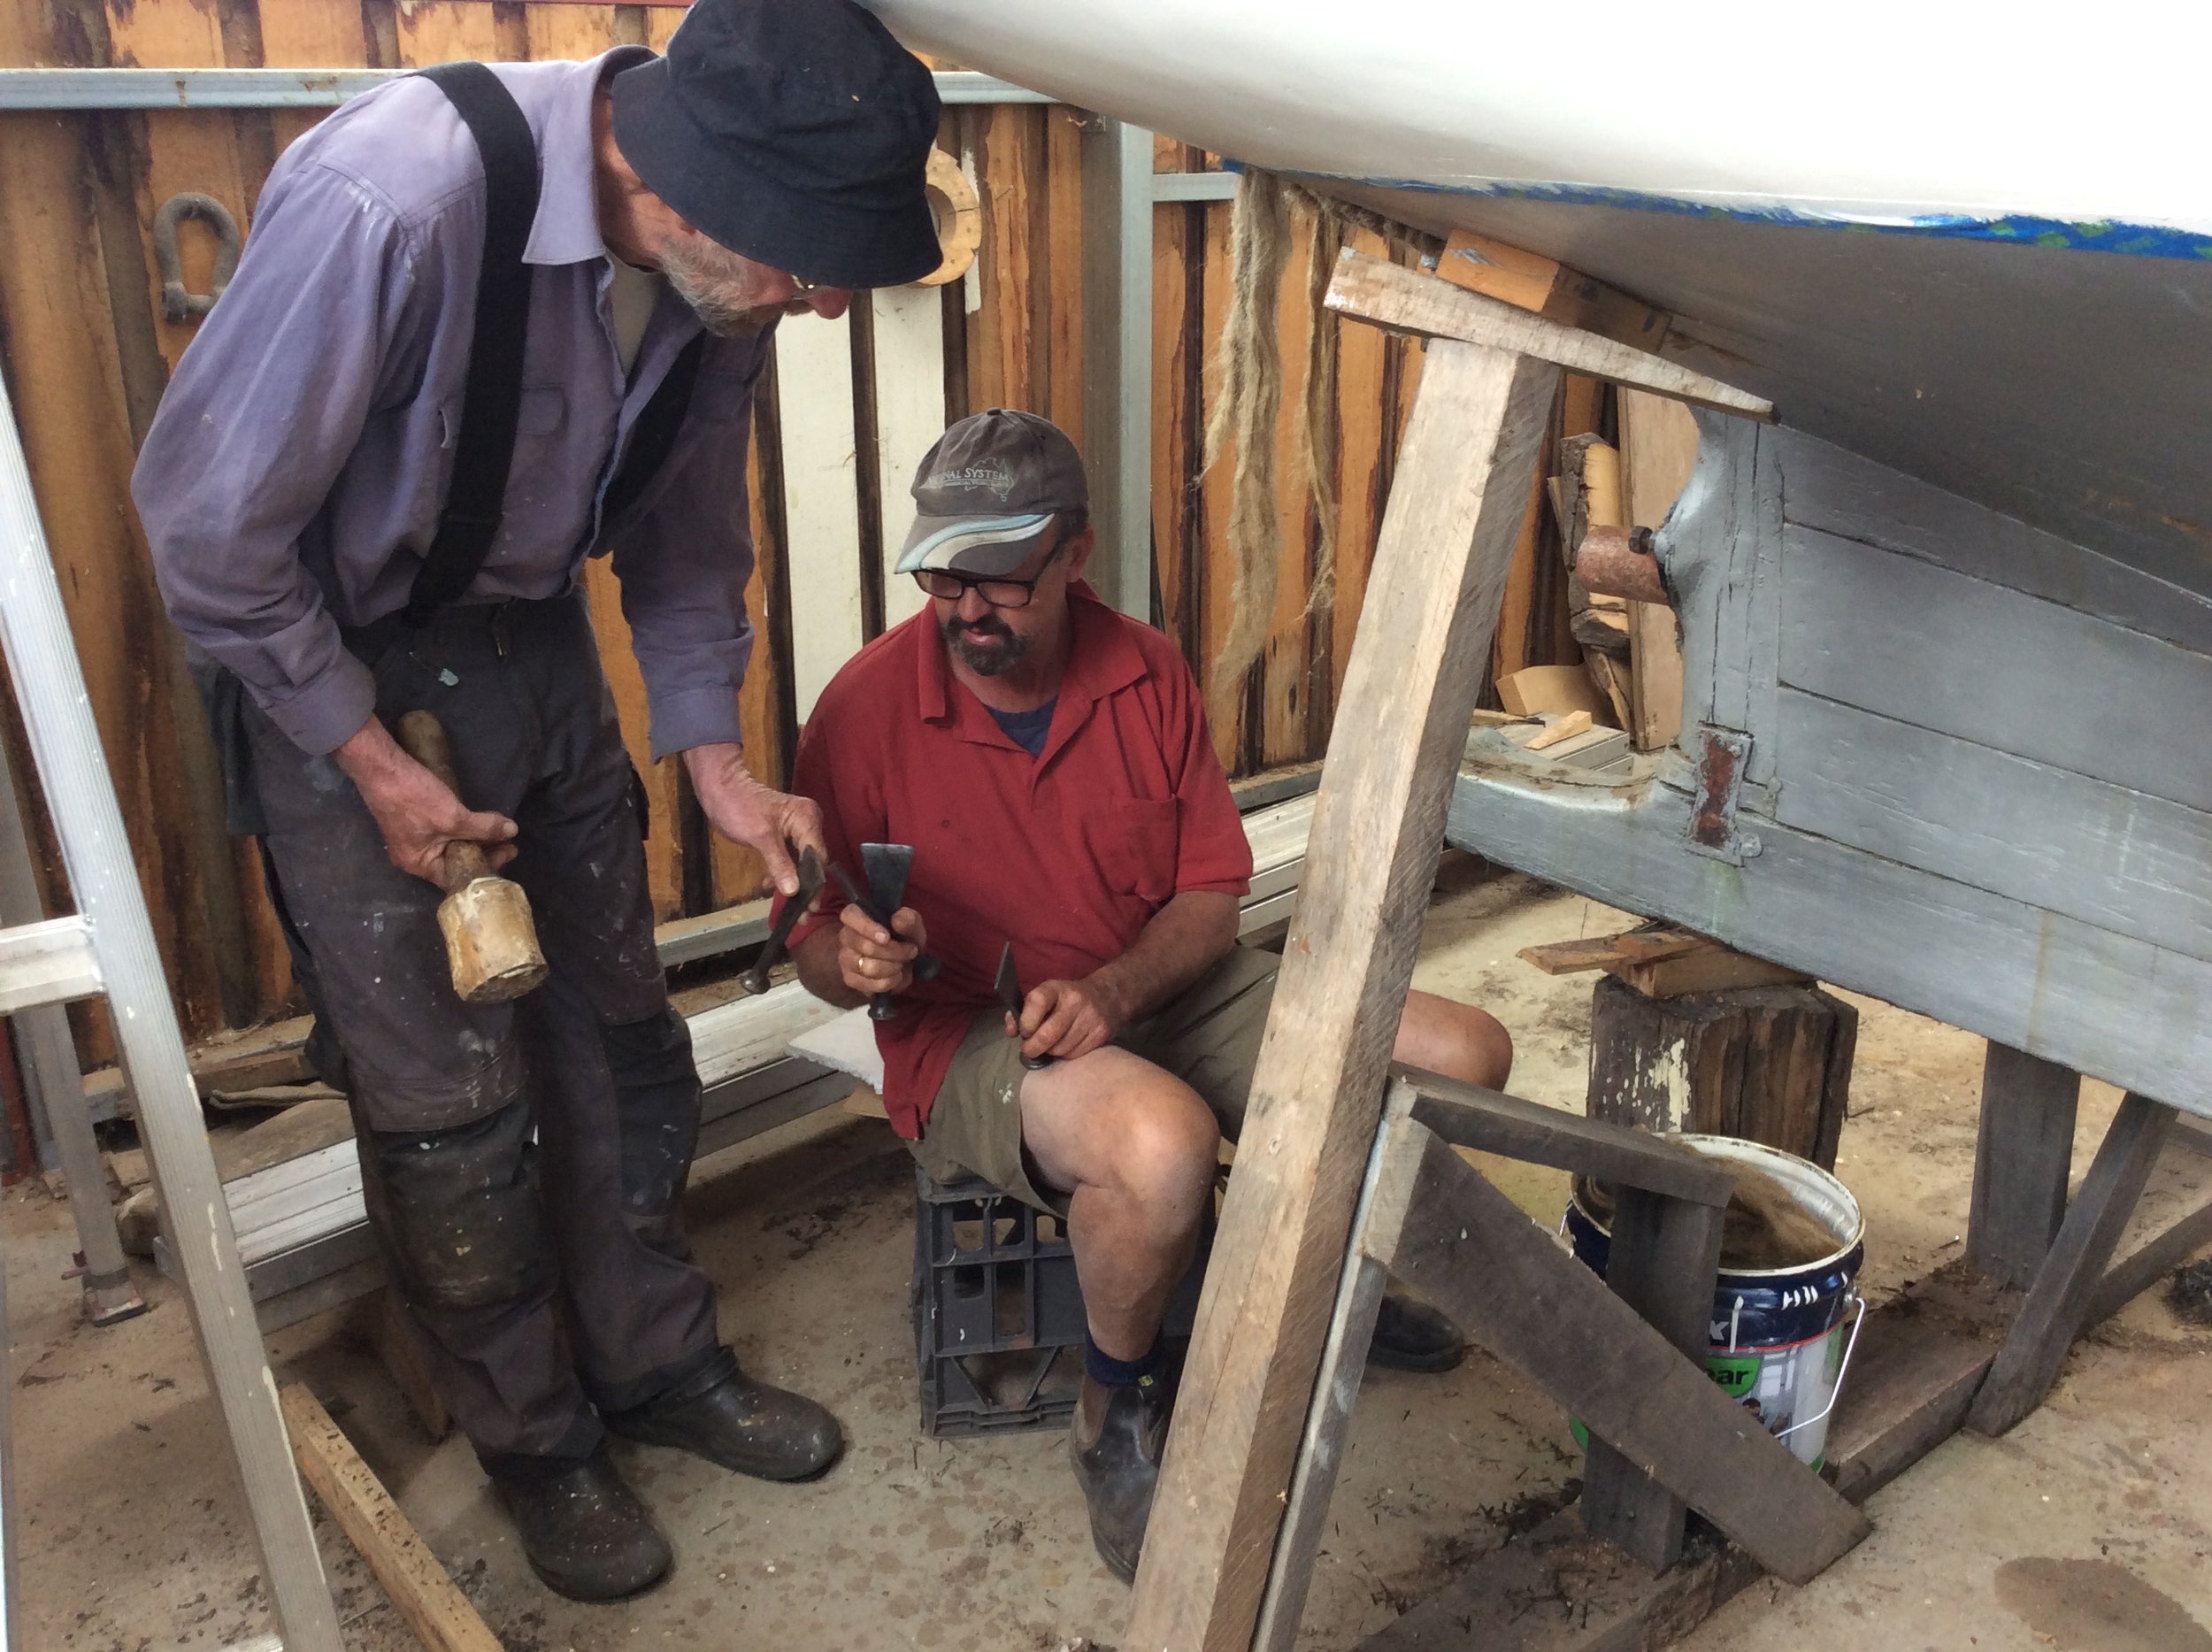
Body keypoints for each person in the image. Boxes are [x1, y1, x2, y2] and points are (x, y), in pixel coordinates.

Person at [130, 0, 942, 1603]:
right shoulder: (401, 197)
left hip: (534, 645)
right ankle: (537, 1442)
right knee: (451, 1108)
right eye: (810, 262)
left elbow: (692, 539)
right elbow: (208, 535)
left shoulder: (720, 284)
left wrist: (711, 757)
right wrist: (366, 758)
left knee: (620, 1037)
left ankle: (655, 1364)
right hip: (329, 662)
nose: (831, 301)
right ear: (689, 187)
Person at [783, 410, 1516, 1581]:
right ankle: (1110, 1418)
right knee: (1160, 1145)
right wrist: (854, 961)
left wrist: (1117, 995)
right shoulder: (866, 706)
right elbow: (815, 937)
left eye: (996, 579)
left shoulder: (1147, 671)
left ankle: (1321, 1298)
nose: (965, 608)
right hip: (976, 1028)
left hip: (1152, 983)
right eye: (940, 577)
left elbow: (1210, 901)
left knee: (1464, 1058)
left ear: (1073, 553)